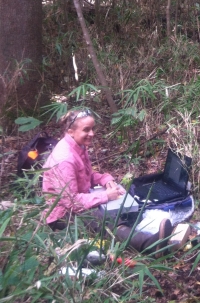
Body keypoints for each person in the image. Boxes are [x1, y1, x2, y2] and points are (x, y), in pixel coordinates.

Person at [43, 108, 172, 253]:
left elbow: (86, 175)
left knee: (117, 204)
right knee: (104, 220)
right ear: (70, 131)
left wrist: (105, 179)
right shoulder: (65, 159)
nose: (91, 134)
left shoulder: (78, 146)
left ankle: (153, 237)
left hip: (78, 199)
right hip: (62, 215)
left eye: (92, 129)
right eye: (86, 130)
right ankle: (150, 244)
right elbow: (71, 202)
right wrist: (105, 196)